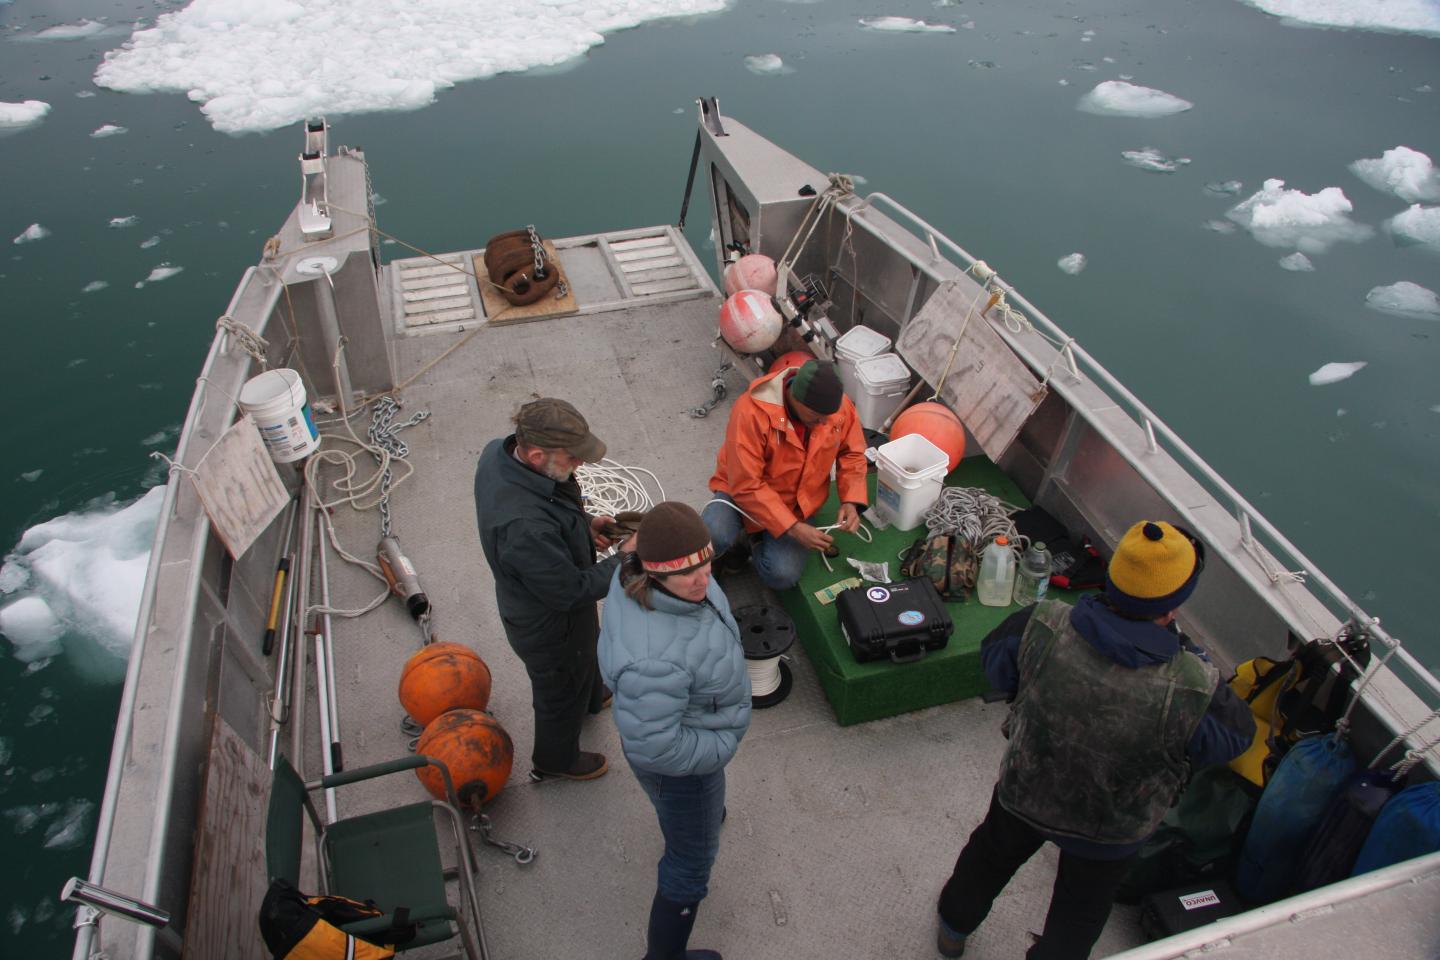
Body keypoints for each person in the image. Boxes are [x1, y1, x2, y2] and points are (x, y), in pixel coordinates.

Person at [935, 520, 1255, 960]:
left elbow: (997, 665)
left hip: (1026, 790)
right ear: (1175, 602)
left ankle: (953, 931)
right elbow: (1233, 740)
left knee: (987, 859)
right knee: (1081, 910)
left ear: (1115, 574)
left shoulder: (1041, 623)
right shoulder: (1195, 683)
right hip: (1113, 828)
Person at [598, 502, 752, 960]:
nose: (703, 579)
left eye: (706, 563)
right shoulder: (653, 662)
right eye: (688, 573)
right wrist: (721, 744)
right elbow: (658, 749)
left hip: (680, 732)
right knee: (689, 867)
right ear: (656, 574)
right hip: (683, 771)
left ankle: (699, 819)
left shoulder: (653, 576)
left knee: (693, 819)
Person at [473, 398, 629, 782]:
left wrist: (586, 524)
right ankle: (555, 760)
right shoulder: (523, 527)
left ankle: (593, 695)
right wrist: (627, 559)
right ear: (538, 453)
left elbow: (551, 507)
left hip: (558, 599)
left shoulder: (500, 452)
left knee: (585, 655)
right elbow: (571, 592)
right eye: (573, 459)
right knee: (559, 693)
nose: (580, 465)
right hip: (547, 625)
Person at [702, 359, 867, 589]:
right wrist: (792, 528)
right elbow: (746, 484)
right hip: (739, 493)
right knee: (711, 535)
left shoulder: (837, 408)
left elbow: (852, 454)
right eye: (817, 416)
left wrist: (851, 501)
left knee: (782, 574)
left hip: (797, 504)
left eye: (828, 416)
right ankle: (711, 565)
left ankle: (751, 541)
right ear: (794, 397)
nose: (823, 423)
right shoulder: (750, 411)